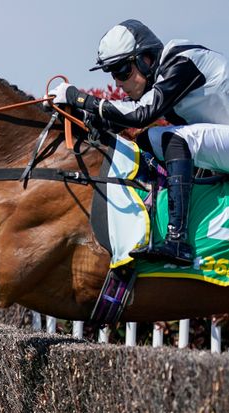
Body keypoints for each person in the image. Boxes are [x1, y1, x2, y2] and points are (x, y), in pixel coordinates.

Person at [49, 20, 229, 266]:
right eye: (113, 74)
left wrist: (78, 97)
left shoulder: (182, 62)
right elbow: (117, 121)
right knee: (148, 138)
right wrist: (78, 115)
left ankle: (177, 241)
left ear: (146, 59)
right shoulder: (162, 76)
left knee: (174, 138)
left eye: (122, 71)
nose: (118, 82)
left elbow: (141, 114)